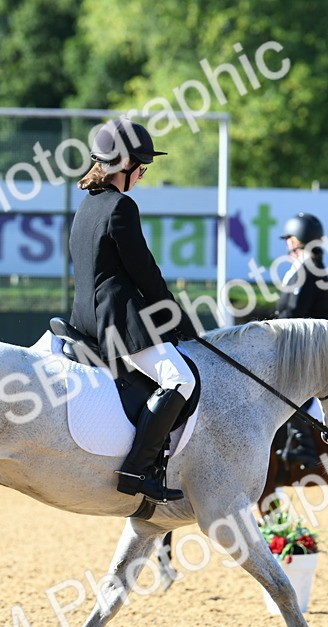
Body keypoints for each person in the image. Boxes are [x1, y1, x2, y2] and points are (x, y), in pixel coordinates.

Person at [68, 119, 197, 504]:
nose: (143, 174)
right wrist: (178, 317)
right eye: (142, 166)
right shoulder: (122, 207)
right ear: (123, 164)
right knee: (181, 380)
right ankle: (136, 470)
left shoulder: (88, 205)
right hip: (118, 325)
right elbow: (146, 275)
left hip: (83, 320)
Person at [275, 213, 328, 466]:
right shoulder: (306, 267)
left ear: (301, 240)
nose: (287, 244)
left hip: (307, 347)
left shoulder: (310, 268)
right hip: (302, 342)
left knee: (285, 387)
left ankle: (305, 445)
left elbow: (294, 312)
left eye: (290, 239)